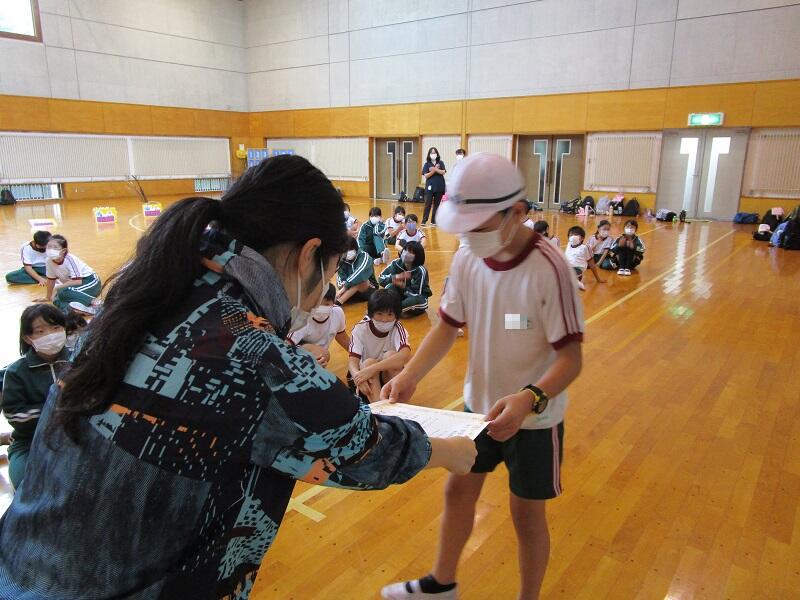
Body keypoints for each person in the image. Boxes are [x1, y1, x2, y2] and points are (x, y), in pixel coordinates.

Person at [0, 155, 476, 600]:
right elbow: (362, 448)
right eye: (330, 273)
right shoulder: (252, 353)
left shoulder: (142, 294)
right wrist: (450, 451)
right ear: (309, 254)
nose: (319, 297)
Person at [380, 153, 584, 600]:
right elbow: (447, 326)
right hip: (478, 411)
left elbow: (571, 359)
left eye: (479, 225)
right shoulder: (469, 257)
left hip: (535, 420)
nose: (470, 236)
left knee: (526, 516)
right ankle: (441, 584)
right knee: (458, 491)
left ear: (518, 211)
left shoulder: (550, 269)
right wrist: (410, 375)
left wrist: (529, 398)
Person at [1, 304, 69, 489]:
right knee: (27, 485)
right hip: (29, 441)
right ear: (28, 338)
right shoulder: (17, 371)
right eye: (40, 331)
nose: (51, 335)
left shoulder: (78, 361)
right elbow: (15, 415)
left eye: (56, 327)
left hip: (74, 437)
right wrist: (60, 407)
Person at [348, 289, 412, 403]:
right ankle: (380, 408)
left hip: (386, 377)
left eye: (390, 314)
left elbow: (404, 356)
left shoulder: (398, 328)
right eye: (379, 314)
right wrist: (358, 377)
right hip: (366, 381)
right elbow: (352, 362)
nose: (384, 319)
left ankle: (396, 405)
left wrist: (373, 369)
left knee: (391, 356)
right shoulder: (360, 329)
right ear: (371, 313)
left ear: (396, 315)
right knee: (368, 362)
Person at [288, 283, 349, 368]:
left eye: (326, 304)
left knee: (323, 355)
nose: (321, 307)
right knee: (324, 354)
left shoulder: (338, 313)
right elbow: (286, 345)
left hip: (319, 353)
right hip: (296, 350)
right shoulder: (302, 317)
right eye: (318, 303)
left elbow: (342, 337)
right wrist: (303, 360)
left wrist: (357, 355)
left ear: (334, 302)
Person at [36, 235, 101, 311]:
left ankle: (96, 303)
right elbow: (51, 280)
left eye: (55, 247)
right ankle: (77, 310)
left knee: (63, 292)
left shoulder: (70, 259)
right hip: (74, 287)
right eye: (49, 247)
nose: (51, 250)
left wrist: (58, 288)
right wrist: (48, 297)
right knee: (55, 299)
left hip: (90, 282)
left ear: (63, 251)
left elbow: (77, 281)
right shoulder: (48, 261)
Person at [378, 241, 432, 317]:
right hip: (402, 296)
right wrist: (397, 277)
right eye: (405, 249)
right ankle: (396, 311)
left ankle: (391, 311)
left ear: (417, 256)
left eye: (410, 252)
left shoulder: (420, 270)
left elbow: (418, 295)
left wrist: (404, 288)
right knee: (390, 286)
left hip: (417, 299)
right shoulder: (396, 263)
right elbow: (380, 278)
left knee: (415, 301)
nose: (406, 253)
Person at [337, 237, 378, 304]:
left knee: (362, 281)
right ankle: (334, 300)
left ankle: (338, 302)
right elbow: (340, 276)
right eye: (345, 250)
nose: (347, 253)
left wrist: (345, 287)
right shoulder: (342, 260)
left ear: (355, 248)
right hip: (349, 291)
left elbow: (360, 274)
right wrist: (342, 284)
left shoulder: (365, 256)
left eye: (349, 249)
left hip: (368, 289)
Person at [564, 226, 605, 290]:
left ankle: (575, 282)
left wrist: (598, 279)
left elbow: (592, 264)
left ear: (582, 238)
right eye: (571, 235)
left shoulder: (585, 247)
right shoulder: (569, 244)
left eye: (576, 235)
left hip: (577, 270)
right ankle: (574, 282)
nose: (573, 237)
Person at [421, 147, 446, 227]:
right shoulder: (427, 164)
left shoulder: (441, 163)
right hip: (430, 186)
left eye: (434, 152)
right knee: (427, 203)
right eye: (431, 153)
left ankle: (434, 221)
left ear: (437, 154)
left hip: (439, 186)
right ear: (429, 154)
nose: (433, 154)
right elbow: (426, 175)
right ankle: (424, 221)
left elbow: (443, 172)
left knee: (437, 204)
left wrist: (434, 169)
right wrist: (435, 170)